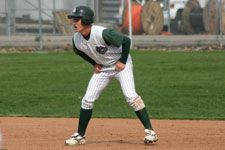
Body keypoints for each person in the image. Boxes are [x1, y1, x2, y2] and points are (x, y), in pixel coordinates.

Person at [64, 6, 158, 146]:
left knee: (131, 96)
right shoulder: (76, 39)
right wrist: (94, 63)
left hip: (121, 65)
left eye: (77, 19)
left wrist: (123, 60)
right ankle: (80, 135)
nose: (74, 22)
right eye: (73, 19)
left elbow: (126, 41)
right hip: (104, 68)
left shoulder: (102, 33)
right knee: (87, 99)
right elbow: (80, 52)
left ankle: (150, 132)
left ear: (87, 20)